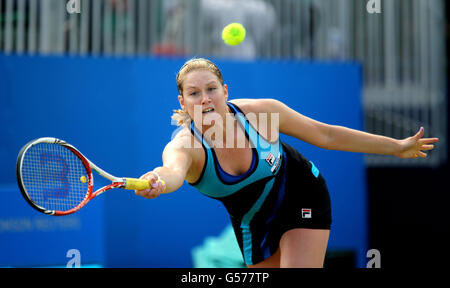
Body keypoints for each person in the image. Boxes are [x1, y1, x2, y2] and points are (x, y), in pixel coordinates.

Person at [135, 58, 439, 268]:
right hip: (252, 220)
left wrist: (397, 147)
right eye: (194, 93)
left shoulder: (262, 114)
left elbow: (326, 135)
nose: (205, 99)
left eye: (211, 89)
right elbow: (171, 171)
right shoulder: (186, 146)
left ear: (225, 91)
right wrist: (158, 183)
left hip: (302, 194)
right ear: (183, 103)